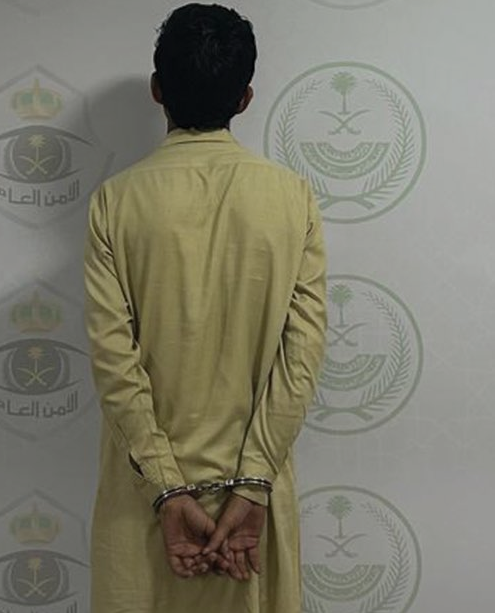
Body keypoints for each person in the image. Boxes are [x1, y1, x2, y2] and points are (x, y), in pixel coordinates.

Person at [83, 4, 327, 612]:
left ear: (157, 90)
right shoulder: (292, 198)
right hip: (251, 514)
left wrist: (168, 489)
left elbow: (114, 364)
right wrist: (252, 482)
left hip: (144, 508)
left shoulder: (115, 202)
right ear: (245, 98)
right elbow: (301, 358)